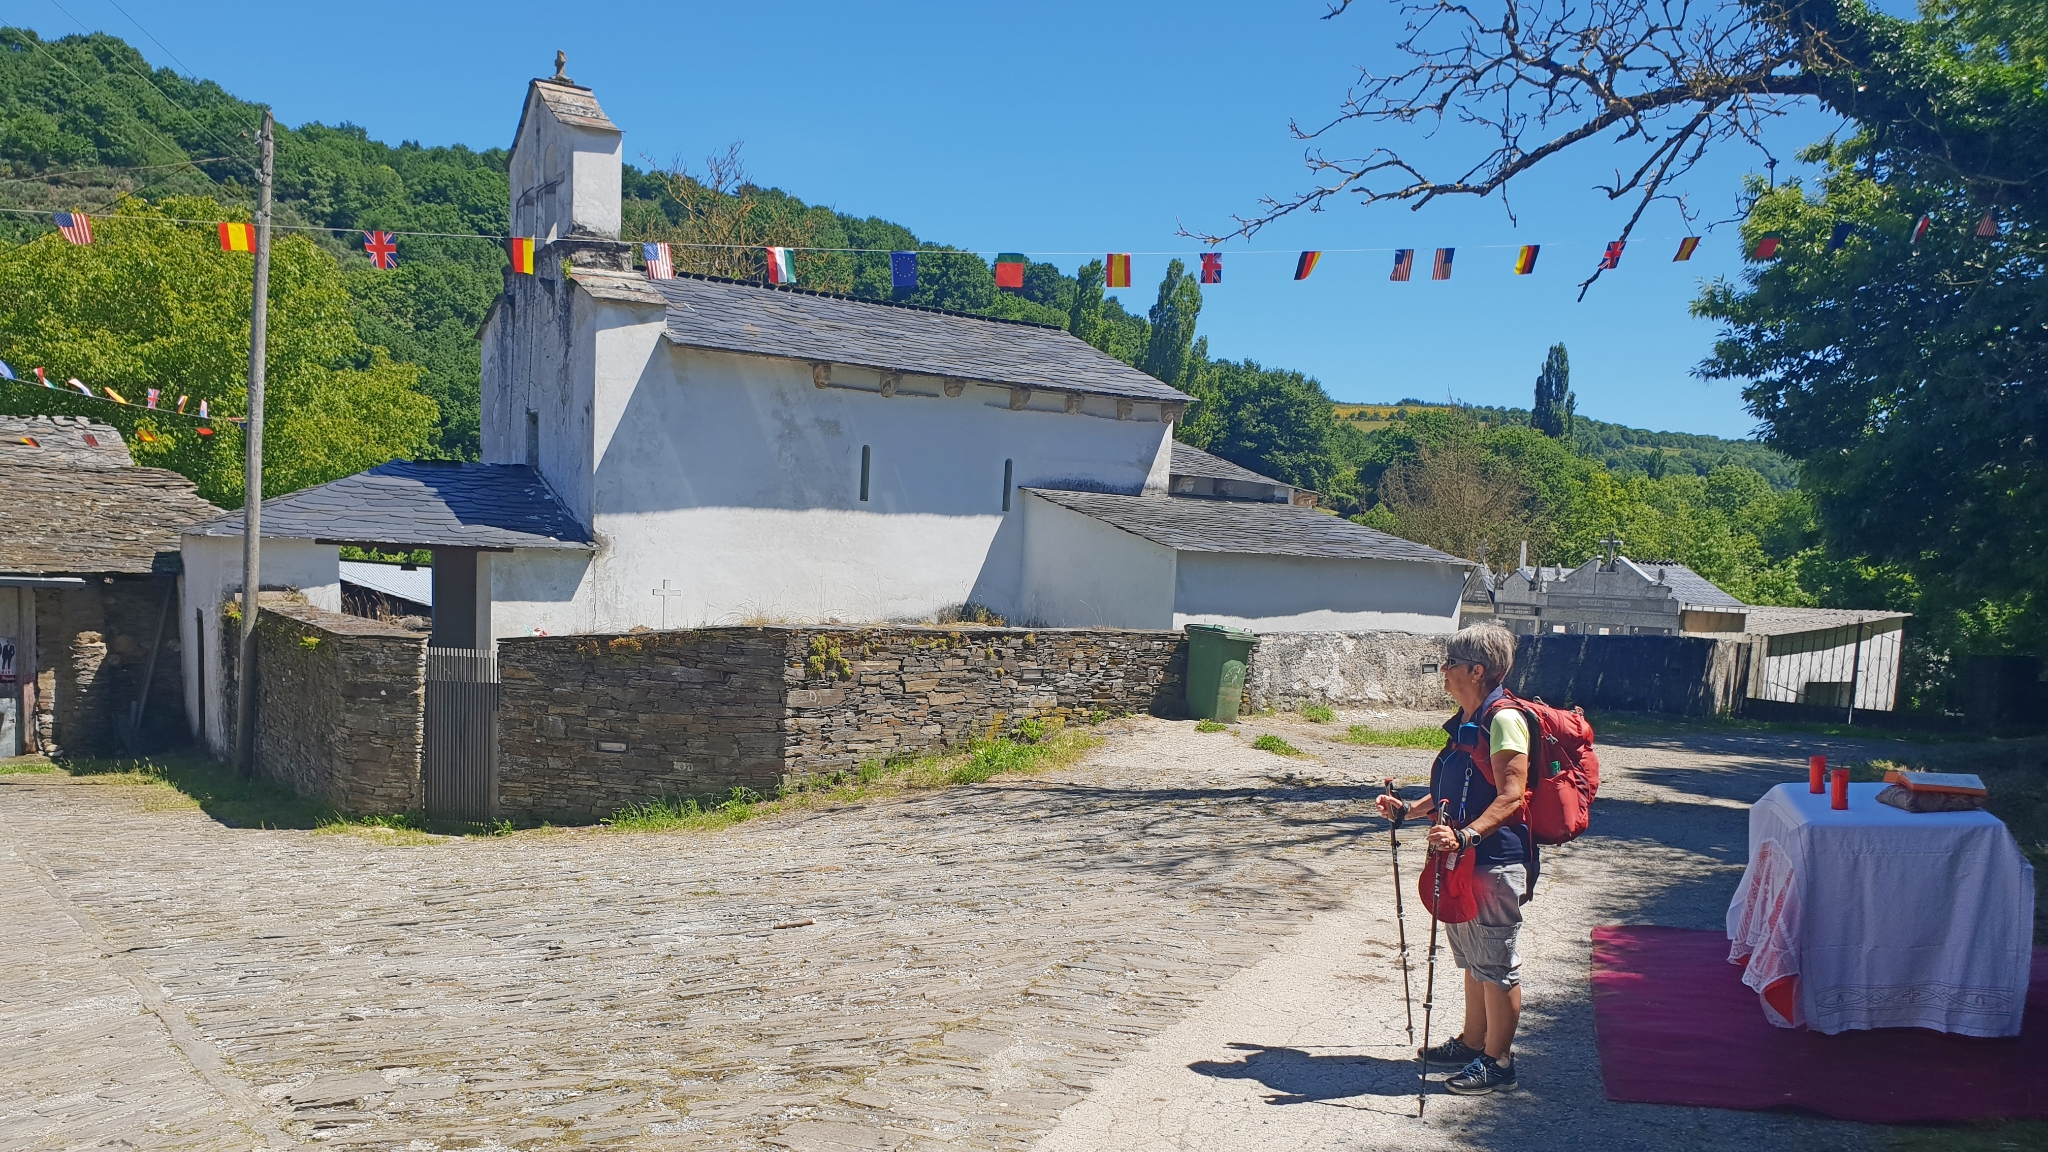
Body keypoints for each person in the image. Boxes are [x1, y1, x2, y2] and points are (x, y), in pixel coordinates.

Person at [1377, 622, 1530, 1095]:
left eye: (1451, 663)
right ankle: (1472, 1042)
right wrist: (1410, 810)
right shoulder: (1468, 720)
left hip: (1491, 859)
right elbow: (1452, 788)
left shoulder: (1502, 719)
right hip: (1460, 858)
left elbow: (1512, 795)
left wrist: (1465, 836)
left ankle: (1498, 1062)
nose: (1443, 671)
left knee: (1496, 963)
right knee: (1471, 957)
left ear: (1476, 670)